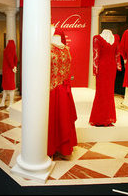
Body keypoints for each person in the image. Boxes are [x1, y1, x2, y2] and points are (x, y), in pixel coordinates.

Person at [47, 26, 77, 159]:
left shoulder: (67, 49)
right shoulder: (47, 48)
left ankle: (64, 149)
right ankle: (51, 149)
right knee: (53, 119)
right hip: (52, 91)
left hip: (64, 91)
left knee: (64, 118)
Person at [89, 29, 121, 126]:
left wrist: (95, 69)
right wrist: (118, 65)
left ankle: (106, 117)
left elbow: (117, 53)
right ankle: (101, 118)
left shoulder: (115, 38)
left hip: (107, 68)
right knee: (102, 91)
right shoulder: (98, 38)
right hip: (106, 68)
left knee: (108, 92)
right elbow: (96, 55)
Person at [0, 39, 18, 108]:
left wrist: (13, 66)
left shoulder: (6, 50)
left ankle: (10, 104)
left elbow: (10, 59)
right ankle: (3, 102)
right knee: (7, 88)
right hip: (9, 71)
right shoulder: (13, 51)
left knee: (9, 88)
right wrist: (14, 67)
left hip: (7, 71)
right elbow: (15, 59)